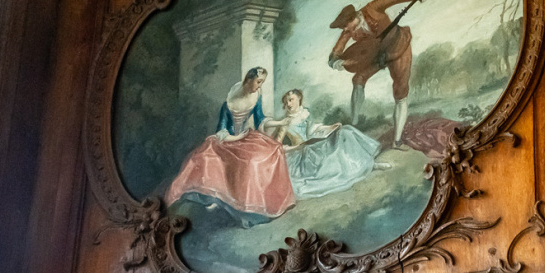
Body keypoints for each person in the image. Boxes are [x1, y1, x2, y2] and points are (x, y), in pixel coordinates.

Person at [164, 67, 295, 223]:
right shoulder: (229, 103)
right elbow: (222, 130)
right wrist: (236, 137)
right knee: (209, 159)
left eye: (262, 83)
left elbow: (260, 119)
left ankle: (254, 207)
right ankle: (220, 200)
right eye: (258, 82)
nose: (259, 86)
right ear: (249, 79)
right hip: (228, 141)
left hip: (247, 138)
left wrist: (280, 122)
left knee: (268, 153)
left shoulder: (255, 97)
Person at [328, 0, 435, 149]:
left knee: (400, 91)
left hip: (398, 47)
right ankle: (354, 125)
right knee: (358, 78)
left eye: (346, 26)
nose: (346, 31)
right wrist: (335, 61)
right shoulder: (350, 29)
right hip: (377, 55)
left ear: (354, 17)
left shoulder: (372, 8)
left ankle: (397, 141)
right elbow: (337, 51)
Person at [266, 89, 382, 199]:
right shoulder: (286, 122)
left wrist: (330, 127)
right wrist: (298, 147)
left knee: (345, 131)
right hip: (301, 154)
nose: (288, 103)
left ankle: (368, 163)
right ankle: (367, 166)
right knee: (325, 160)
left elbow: (312, 129)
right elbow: (277, 146)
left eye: (291, 99)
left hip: (312, 144)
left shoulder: (305, 113)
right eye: (286, 102)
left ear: (299, 99)